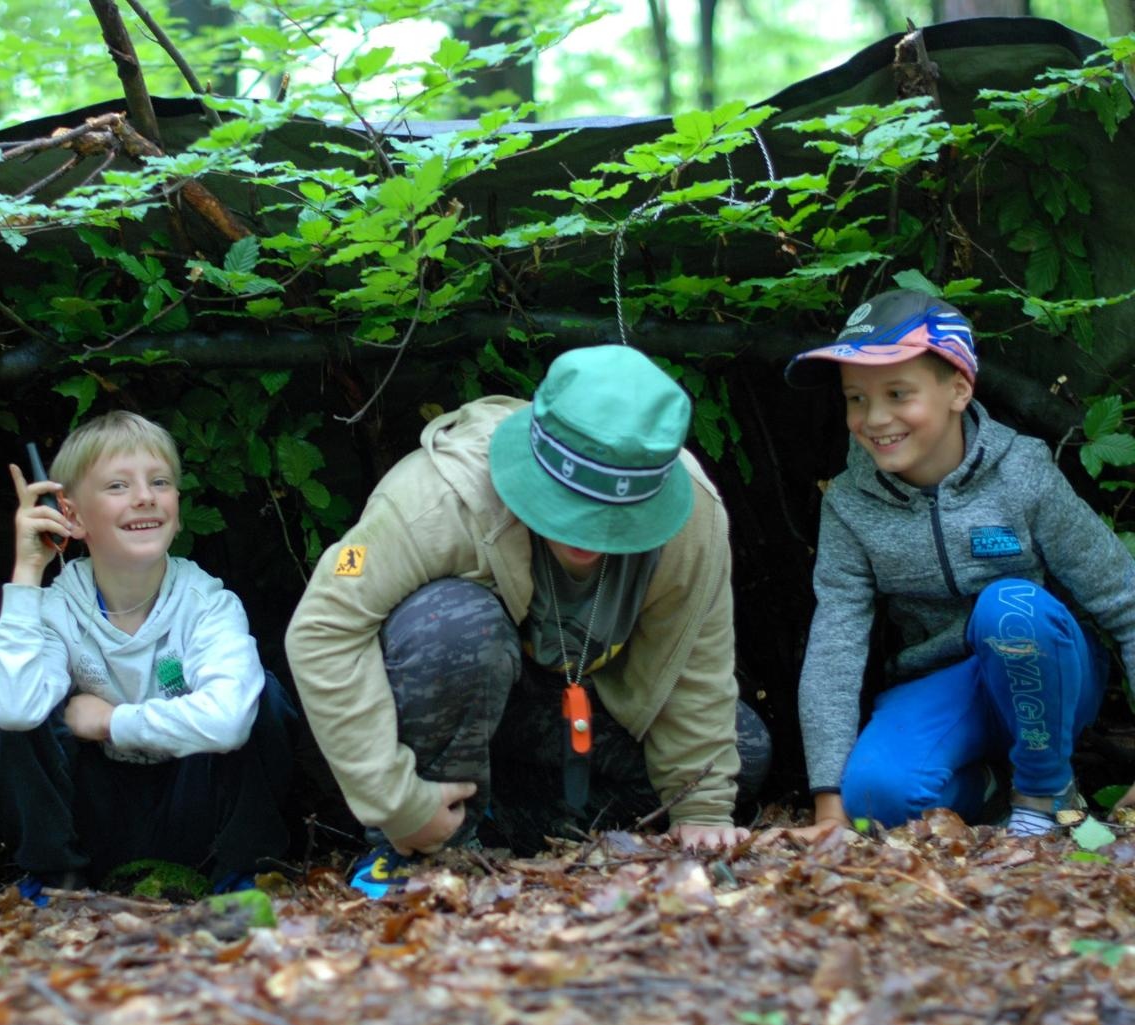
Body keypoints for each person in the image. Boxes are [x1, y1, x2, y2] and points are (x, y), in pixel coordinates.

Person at [285, 345, 771, 898]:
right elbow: (324, 628)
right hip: (454, 714)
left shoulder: (692, 515)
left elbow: (694, 660)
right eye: (571, 505)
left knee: (744, 751)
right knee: (454, 624)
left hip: (574, 716)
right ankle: (421, 847)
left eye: (614, 517)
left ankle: (509, 833)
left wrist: (702, 811)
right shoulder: (437, 497)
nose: (588, 534)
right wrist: (397, 801)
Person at [786, 288, 1135, 838]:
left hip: (1051, 667)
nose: (874, 418)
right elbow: (836, 643)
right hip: (946, 687)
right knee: (874, 799)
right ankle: (999, 789)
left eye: (898, 393)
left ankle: (1044, 797)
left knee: (1008, 606)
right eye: (856, 398)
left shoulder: (1023, 472)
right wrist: (830, 806)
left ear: (958, 389)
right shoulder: (850, 504)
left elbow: (1125, 602)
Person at [0, 411, 298, 899]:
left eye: (159, 482)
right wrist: (27, 570)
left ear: (177, 504)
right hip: (97, 823)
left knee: (263, 697)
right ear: (71, 516)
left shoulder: (207, 602)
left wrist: (112, 722)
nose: (145, 496)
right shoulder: (53, 610)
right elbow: (12, 710)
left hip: (195, 818)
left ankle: (241, 873)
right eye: (117, 486)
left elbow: (230, 720)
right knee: (14, 691)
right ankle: (55, 881)